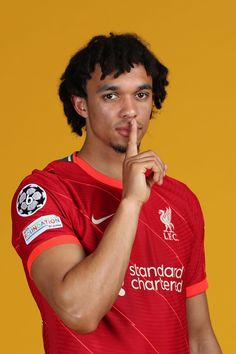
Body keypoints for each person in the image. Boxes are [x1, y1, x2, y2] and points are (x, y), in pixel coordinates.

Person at [11, 33, 222, 353]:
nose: (130, 111)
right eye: (111, 96)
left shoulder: (181, 201)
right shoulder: (46, 191)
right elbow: (79, 311)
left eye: (141, 94)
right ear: (81, 104)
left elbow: (200, 337)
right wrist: (132, 202)